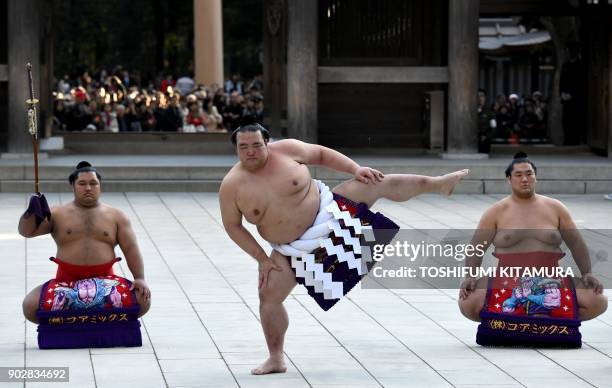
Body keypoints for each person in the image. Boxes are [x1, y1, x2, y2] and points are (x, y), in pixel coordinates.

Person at [219, 123, 469, 375]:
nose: (251, 151)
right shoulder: (232, 185)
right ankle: (276, 358)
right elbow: (232, 226)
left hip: (330, 212)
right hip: (292, 248)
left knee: (376, 181)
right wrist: (261, 258)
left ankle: (439, 184)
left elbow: (321, 155)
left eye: (256, 145)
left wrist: (355, 169)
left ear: (267, 143)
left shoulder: (287, 150)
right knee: (268, 297)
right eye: (244, 147)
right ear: (236, 149)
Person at [458, 152, 607, 322]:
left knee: (597, 301)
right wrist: (470, 276)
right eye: (518, 175)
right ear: (509, 179)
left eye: (529, 174)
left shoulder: (555, 208)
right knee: (468, 303)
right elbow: (476, 247)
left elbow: (576, 243)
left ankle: (544, 322)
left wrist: (587, 272)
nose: (524, 179)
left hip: (551, 279)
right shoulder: (495, 212)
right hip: (506, 277)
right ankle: (525, 320)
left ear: (536, 177)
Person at [19, 162, 151, 324]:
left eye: (93, 183)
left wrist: (139, 277)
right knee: (30, 306)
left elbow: (131, 248)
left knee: (143, 299)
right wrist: (32, 211)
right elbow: (26, 231)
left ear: (100, 186)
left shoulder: (117, 216)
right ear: (72, 186)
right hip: (65, 282)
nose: (88, 188)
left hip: (106, 281)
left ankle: (88, 322)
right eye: (82, 183)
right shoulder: (56, 214)